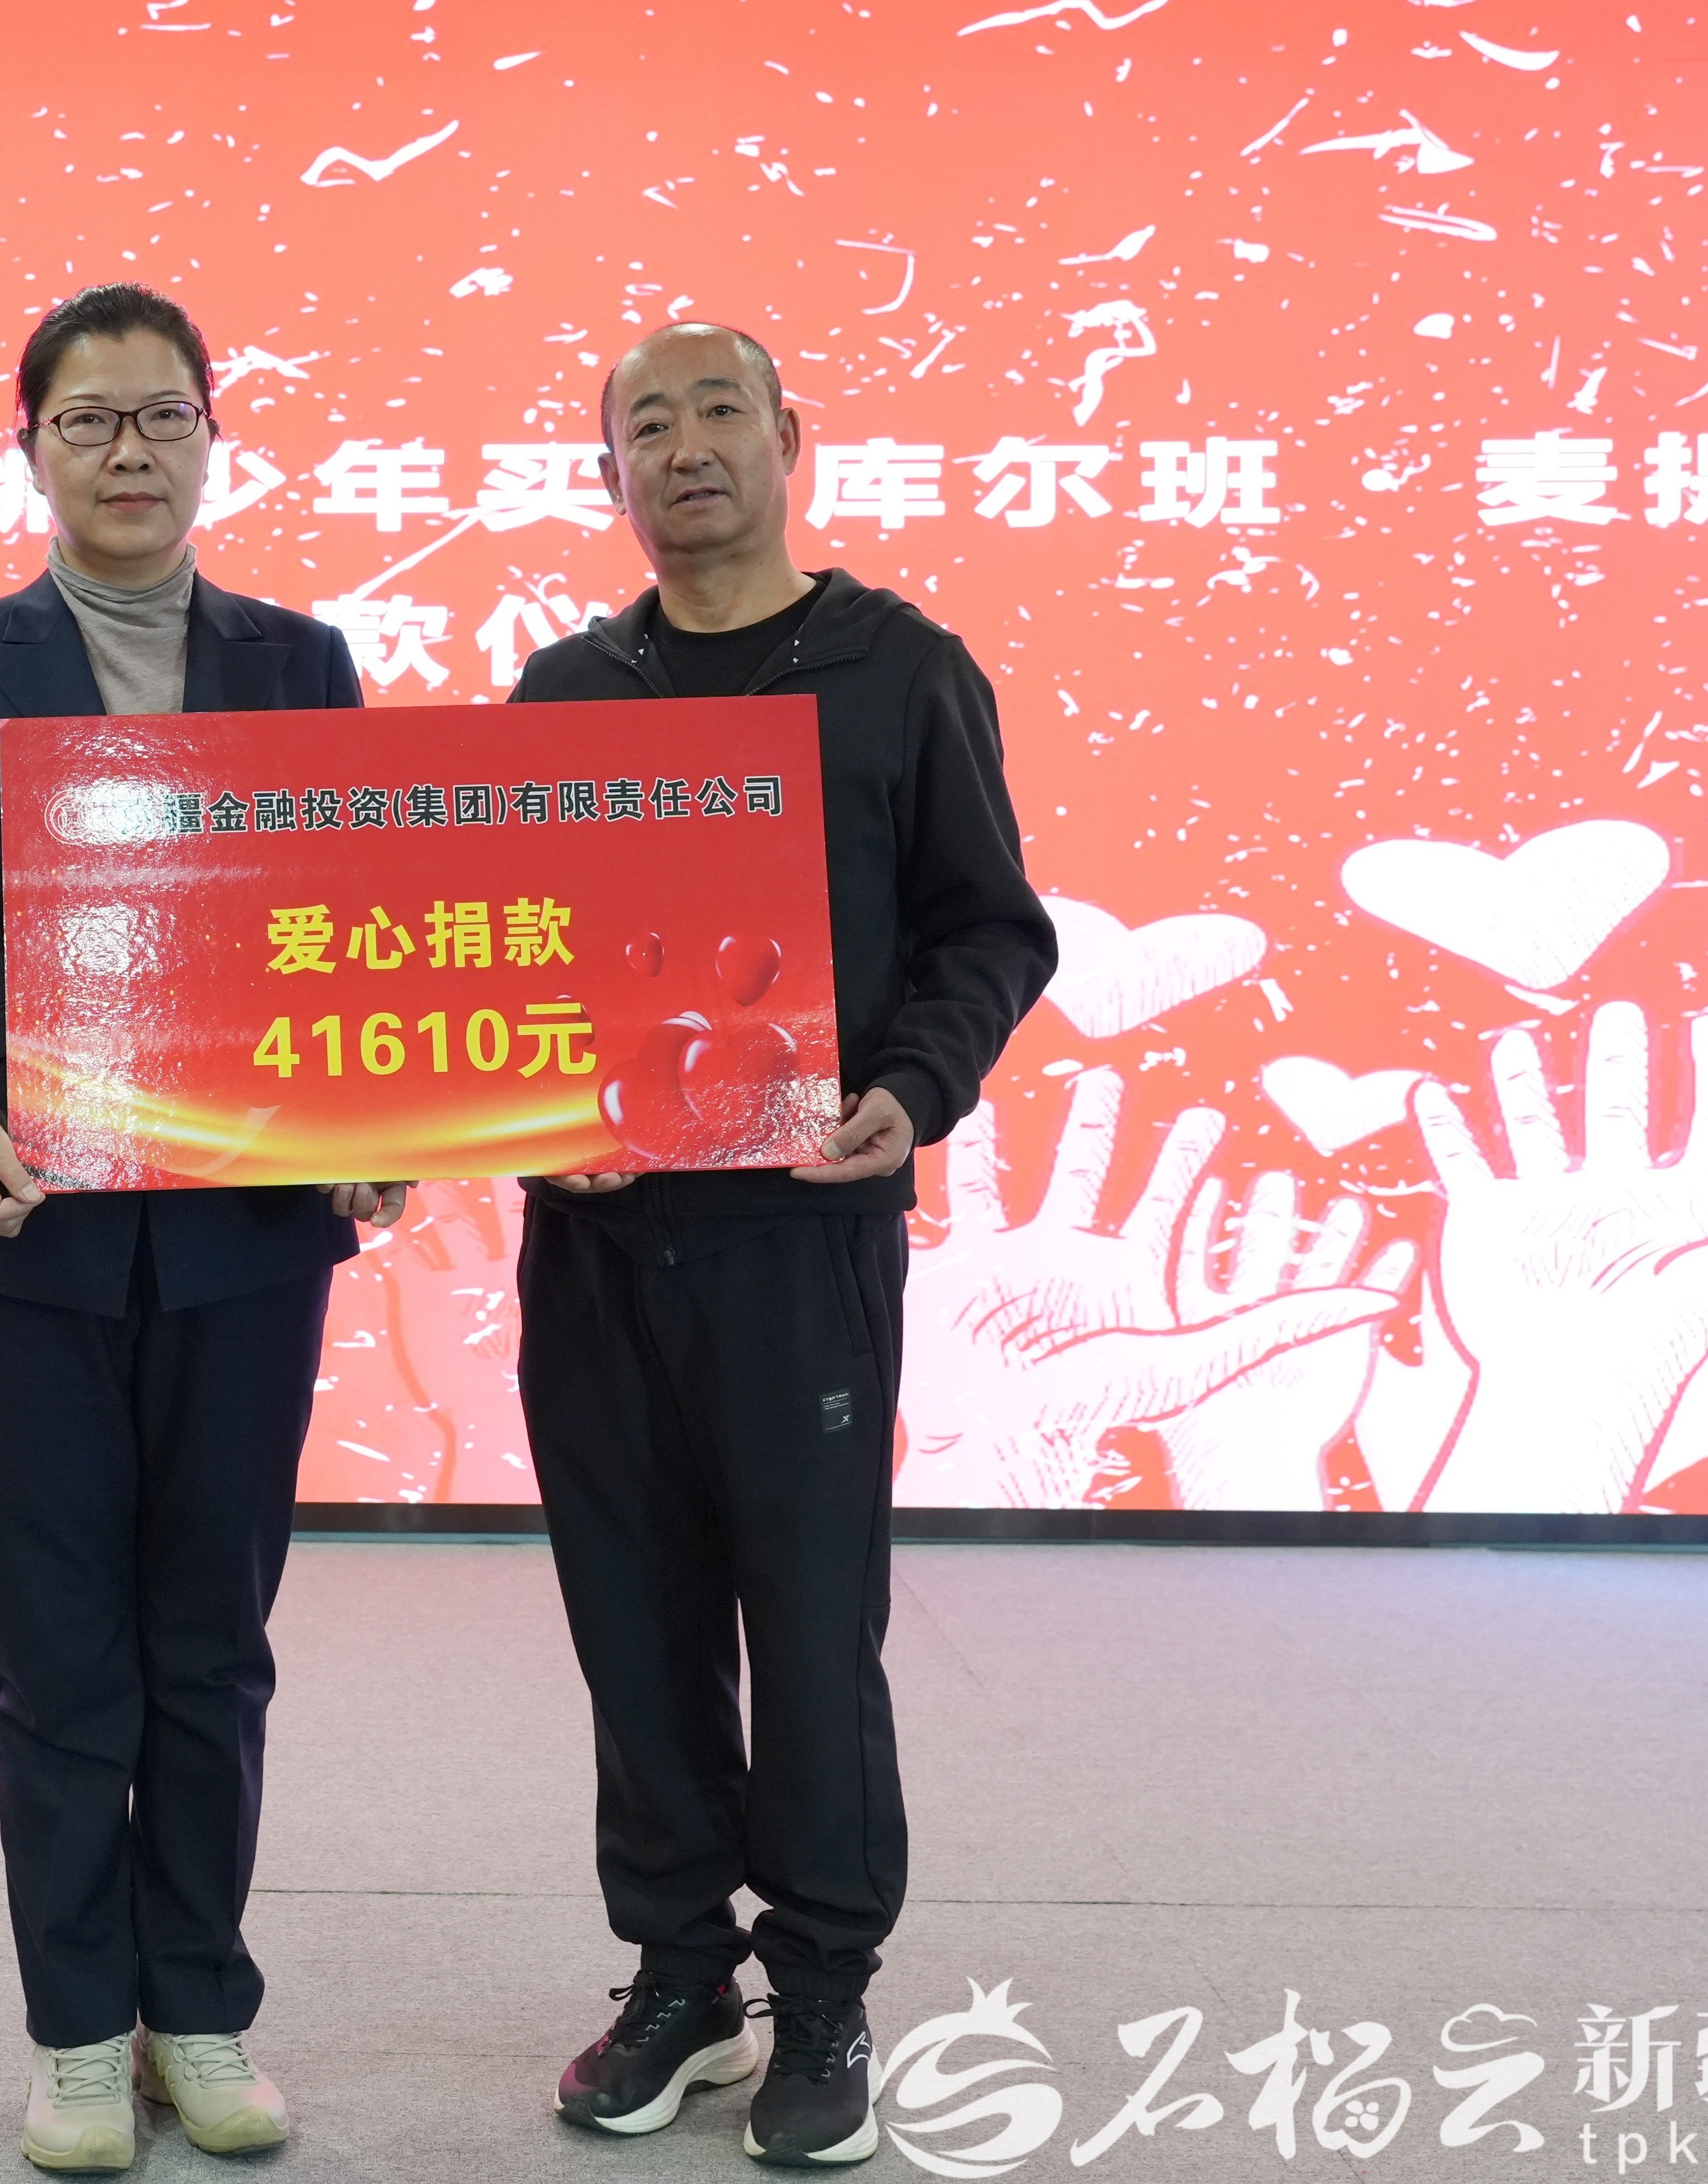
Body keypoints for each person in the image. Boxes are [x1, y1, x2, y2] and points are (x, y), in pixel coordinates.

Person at [0, 282, 403, 2173]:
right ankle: (79, 2028)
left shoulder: (302, 662)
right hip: (33, 1233)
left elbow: (370, 934)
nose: (129, 451)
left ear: (214, 439)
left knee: (212, 1640)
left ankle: (199, 2007)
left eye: (162, 416)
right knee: (64, 1645)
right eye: (90, 420)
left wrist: (389, 1126)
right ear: (31, 450)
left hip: (247, 1238)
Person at [504, 323, 1057, 2166]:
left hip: (800, 1239)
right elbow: (501, 955)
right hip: (597, 1247)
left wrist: (915, 1085)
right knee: (633, 1623)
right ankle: (681, 1972)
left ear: (790, 438)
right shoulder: (564, 692)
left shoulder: (897, 669)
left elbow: (992, 930)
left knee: (812, 1630)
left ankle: (824, 1986)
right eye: (645, 425)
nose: (685, 448)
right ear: (609, 474)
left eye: (718, 410)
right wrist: (524, 1116)